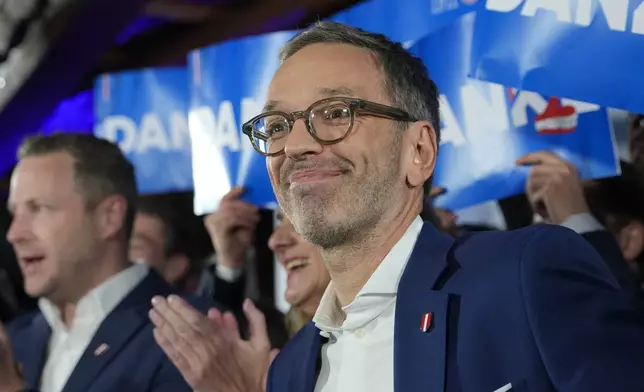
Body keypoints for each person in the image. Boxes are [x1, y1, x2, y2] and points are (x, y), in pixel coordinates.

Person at [149, 22, 644, 392]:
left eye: (335, 113)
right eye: (276, 125)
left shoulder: (523, 275)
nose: (295, 143)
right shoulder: (288, 372)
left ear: (419, 152)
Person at [0, 133, 211, 392]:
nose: (15, 234)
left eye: (39, 208)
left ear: (109, 217)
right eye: (15, 213)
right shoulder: (14, 340)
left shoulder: (190, 332)